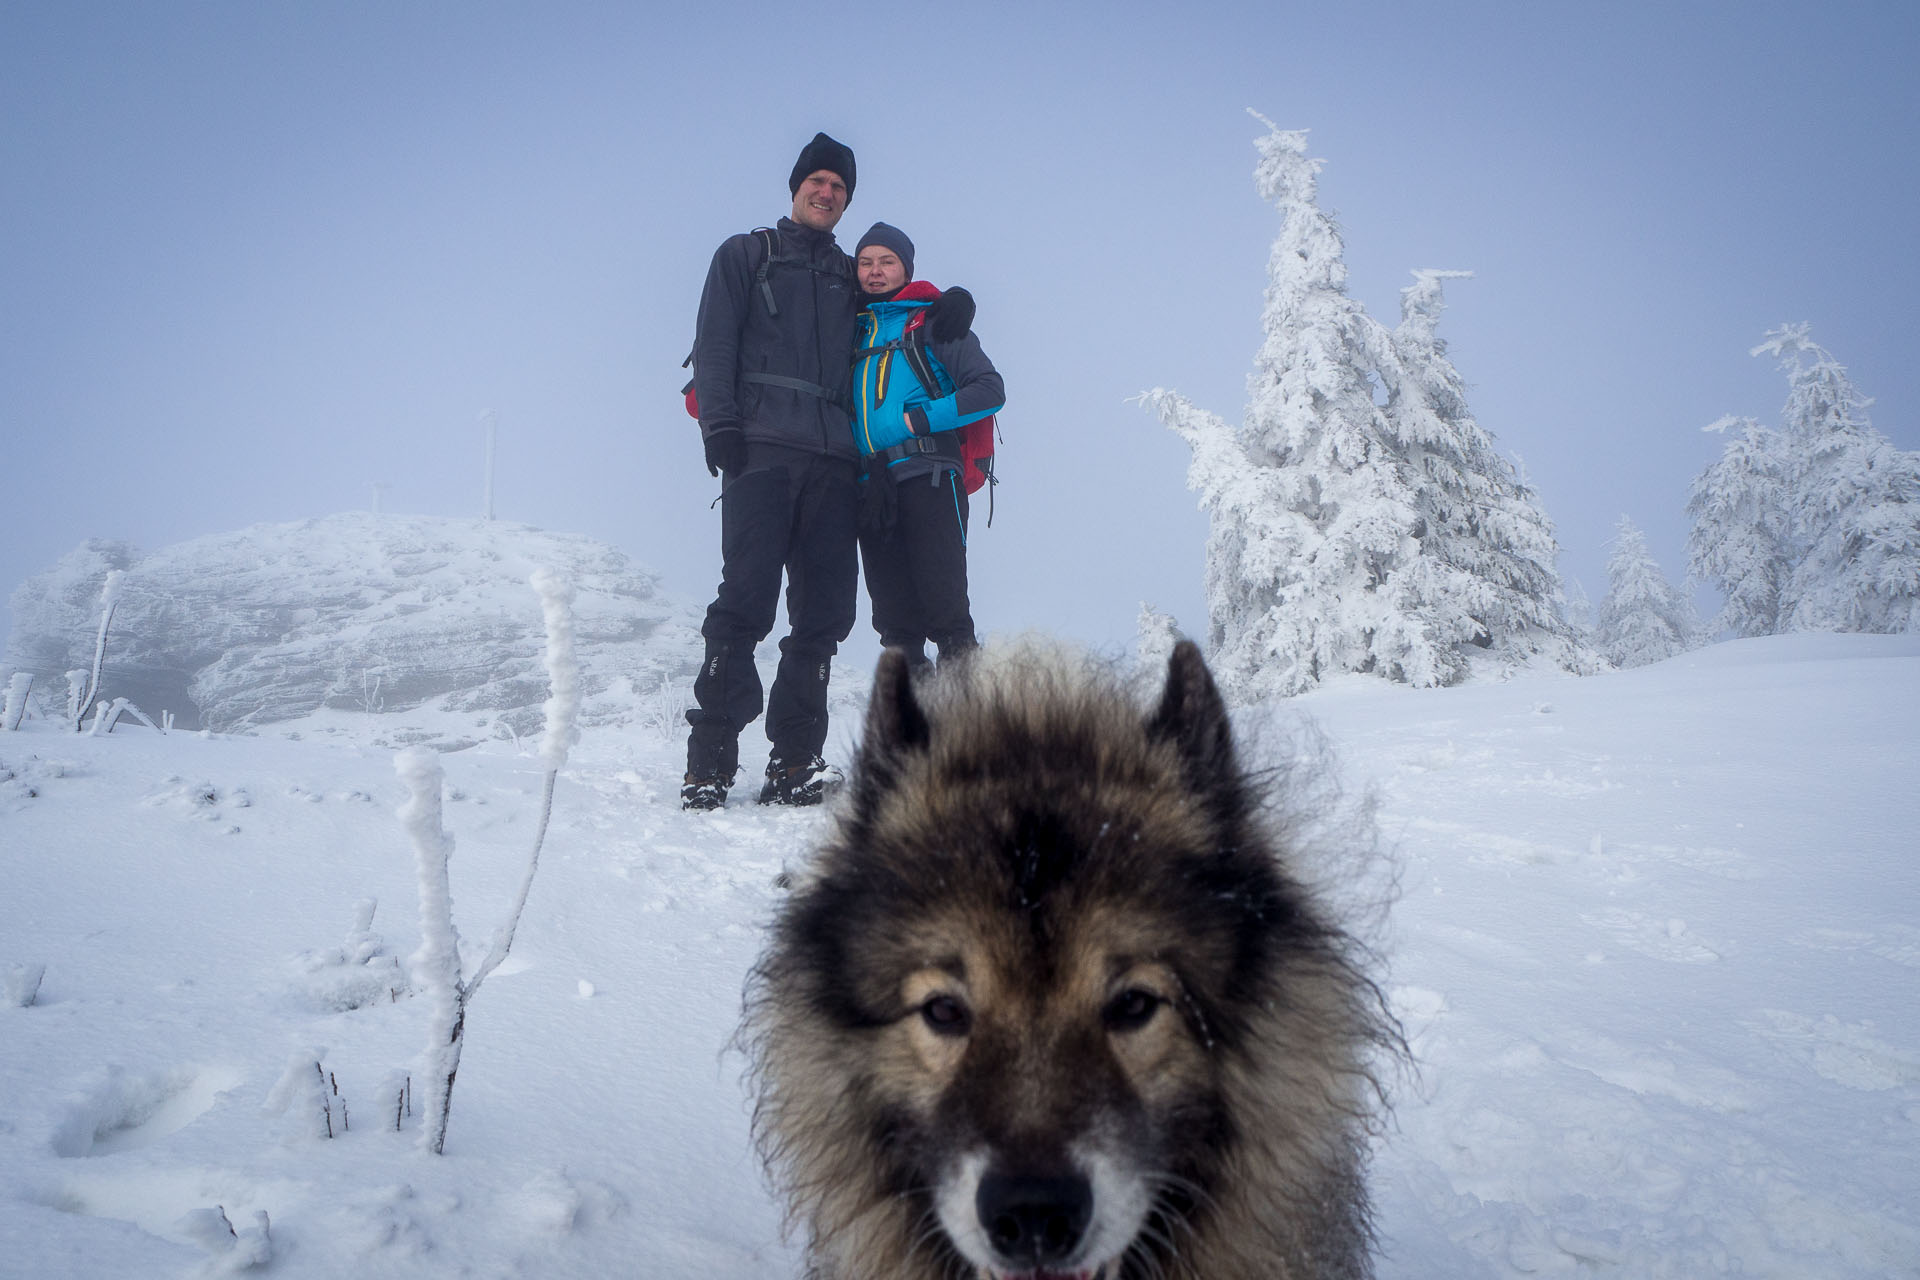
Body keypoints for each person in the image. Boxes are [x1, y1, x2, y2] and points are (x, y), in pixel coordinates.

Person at [680, 133, 863, 811]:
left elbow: (894, 337)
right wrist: (720, 427)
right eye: (818, 181)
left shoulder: (852, 277)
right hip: (760, 452)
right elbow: (714, 342)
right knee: (745, 603)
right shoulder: (744, 255)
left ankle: (794, 762)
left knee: (822, 616)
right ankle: (709, 763)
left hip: (836, 465)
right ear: (796, 187)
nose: (827, 193)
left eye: (839, 188)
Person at [849, 222, 1004, 670]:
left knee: (946, 610)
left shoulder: (931, 322)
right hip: (871, 485)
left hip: (929, 473)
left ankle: (967, 727)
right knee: (895, 624)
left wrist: (920, 418)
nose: (875, 272)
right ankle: (914, 732)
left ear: (906, 268)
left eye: (887, 262)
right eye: (865, 263)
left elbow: (989, 389)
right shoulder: (851, 330)